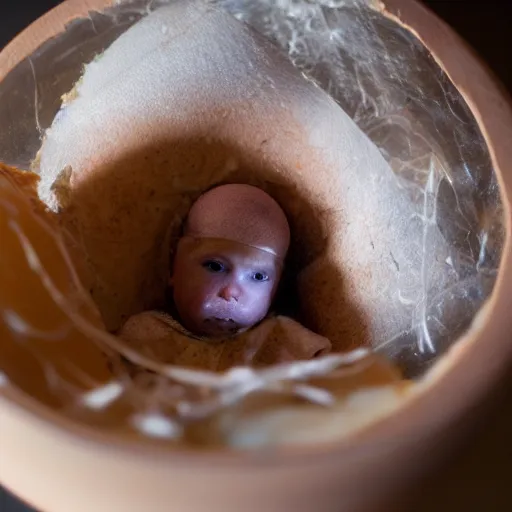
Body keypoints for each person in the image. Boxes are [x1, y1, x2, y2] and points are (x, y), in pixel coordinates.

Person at [118, 184, 331, 371]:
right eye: (215, 266)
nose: (231, 292)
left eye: (258, 276)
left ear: (276, 287)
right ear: (175, 266)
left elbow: (338, 383)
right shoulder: (146, 336)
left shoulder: (283, 342)